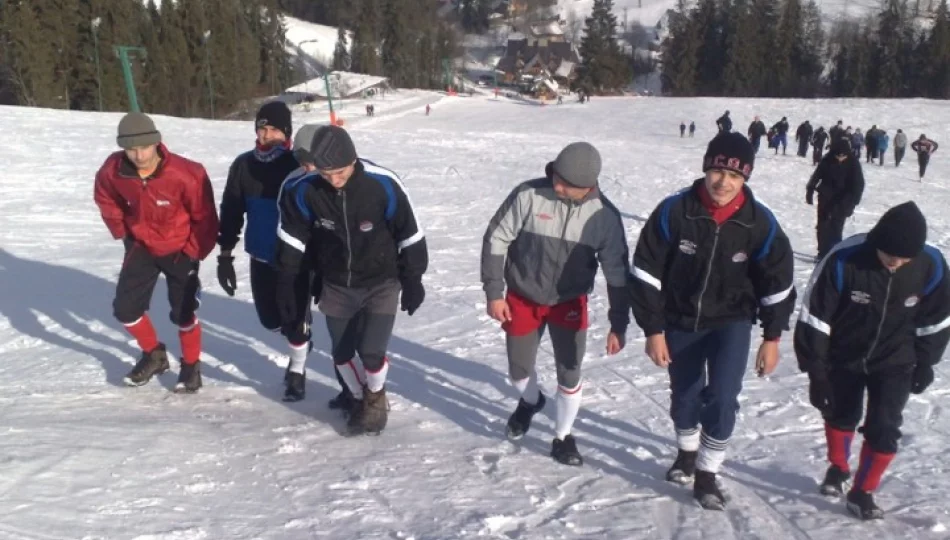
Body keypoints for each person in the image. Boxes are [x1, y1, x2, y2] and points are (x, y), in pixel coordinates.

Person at [629, 132, 797, 510]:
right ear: (706, 168)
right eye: (718, 171)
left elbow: (779, 282)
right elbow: (645, 272)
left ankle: (706, 474)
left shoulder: (760, 224)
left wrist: (772, 337)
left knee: (722, 398)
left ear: (745, 179)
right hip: (680, 319)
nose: (724, 182)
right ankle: (686, 453)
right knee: (685, 396)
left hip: (732, 322)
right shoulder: (675, 211)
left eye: (735, 176)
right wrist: (653, 330)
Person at [794, 201, 950, 520]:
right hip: (845, 355)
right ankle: (838, 469)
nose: (895, 262)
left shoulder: (931, 264)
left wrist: (925, 362)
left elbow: (936, 318)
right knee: (841, 413)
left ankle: (862, 491)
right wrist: (817, 372)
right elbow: (815, 316)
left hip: (896, 360)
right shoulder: (844, 258)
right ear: (876, 243)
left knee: (885, 426)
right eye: (889, 254)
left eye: (904, 258)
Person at [481, 142, 630, 466]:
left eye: (565, 183)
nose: (556, 185)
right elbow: (496, 238)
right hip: (523, 297)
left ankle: (563, 436)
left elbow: (617, 272)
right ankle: (531, 401)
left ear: (588, 187)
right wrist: (494, 292)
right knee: (518, 371)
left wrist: (619, 322)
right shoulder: (528, 195)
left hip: (568, 302)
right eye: (556, 177)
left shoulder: (604, 217)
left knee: (570, 371)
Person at [275, 125, 428, 435]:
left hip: (381, 281)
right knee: (342, 354)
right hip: (336, 284)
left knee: (371, 351)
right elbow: (292, 239)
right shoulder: (306, 189)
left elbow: (410, 233)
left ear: (353, 159)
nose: (333, 179)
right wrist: (288, 282)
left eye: (340, 171)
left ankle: (374, 397)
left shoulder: (382, 184)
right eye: (326, 173)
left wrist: (413, 278)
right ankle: (358, 397)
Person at [93, 113, 219, 393]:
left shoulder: (187, 173)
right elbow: (104, 196)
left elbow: (206, 217)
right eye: (131, 149)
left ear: (156, 143)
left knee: (183, 313)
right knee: (126, 310)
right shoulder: (114, 169)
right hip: (141, 246)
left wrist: (193, 251)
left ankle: (190, 367)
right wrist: (122, 231)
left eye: (144, 147)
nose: (138, 155)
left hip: (180, 249)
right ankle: (154, 355)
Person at [216, 101, 314, 402]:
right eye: (263, 128)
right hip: (260, 254)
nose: (267, 135)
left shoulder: (299, 166)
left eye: (274, 129)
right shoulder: (244, 165)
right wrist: (225, 255)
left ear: (287, 133)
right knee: (270, 320)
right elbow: (232, 210)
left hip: (296, 260)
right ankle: (298, 337)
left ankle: (297, 372)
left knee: (296, 322)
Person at [806, 138, 864, 260]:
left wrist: (852, 203)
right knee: (822, 226)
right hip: (825, 197)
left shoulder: (853, 163)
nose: (840, 158)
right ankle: (822, 252)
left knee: (836, 227)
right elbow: (817, 175)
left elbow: (858, 185)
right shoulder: (827, 160)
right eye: (838, 155)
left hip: (843, 200)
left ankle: (834, 252)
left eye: (843, 155)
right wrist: (810, 190)